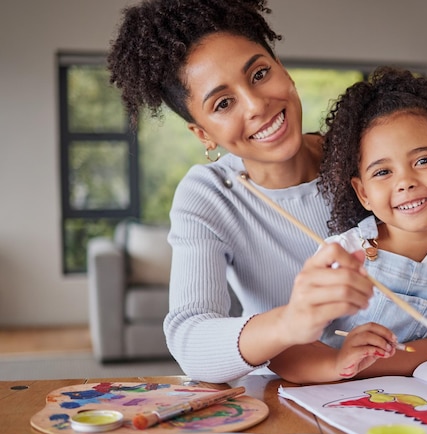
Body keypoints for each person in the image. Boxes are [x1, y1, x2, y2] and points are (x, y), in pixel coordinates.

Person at [107, 0, 374, 384]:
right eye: (223, 103)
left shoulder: (367, 157)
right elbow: (189, 339)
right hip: (295, 396)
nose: (256, 105)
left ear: (282, 68)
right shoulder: (210, 195)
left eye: (260, 73)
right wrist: (290, 321)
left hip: (404, 379)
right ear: (203, 134)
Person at [305, 67, 427, 380]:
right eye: (383, 172)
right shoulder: (341, 255)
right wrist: (339, 362)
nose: (406, 182)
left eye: (423, 160)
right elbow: (286, 353)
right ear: (364, 194)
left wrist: (364, 364)